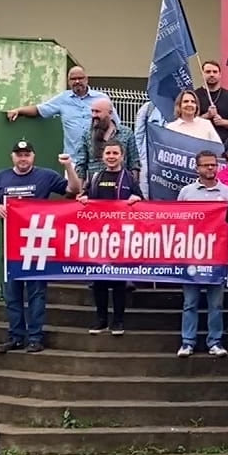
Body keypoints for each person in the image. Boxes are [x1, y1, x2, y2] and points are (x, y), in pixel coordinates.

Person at [0, 140, 68, 353]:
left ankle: (35, 338)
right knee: (12, 295)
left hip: (37, 247)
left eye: (27, 154)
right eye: (19, 154)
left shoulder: (46, 176)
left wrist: (68, 167)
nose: (23, 158)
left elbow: (72, 190)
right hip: (11, 247)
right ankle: (16, 336)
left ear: (33, 156)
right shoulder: (0, 177)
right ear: (12, 156)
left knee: (36, 294)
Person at [66, 141, 141, 334]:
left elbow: (142, 202)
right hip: (98, 238)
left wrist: (137, 199)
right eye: (108, 153)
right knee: (98, 281)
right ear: (102, 156)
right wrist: (83, 200)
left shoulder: (129, 178)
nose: (111, 156)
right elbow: (85, 199)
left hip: (121, 239)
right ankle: (100, 320)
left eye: (115, 153)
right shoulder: (96, 176)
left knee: (118, 282)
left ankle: (118, 321)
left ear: (122, 156)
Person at [176, 150, 228, 358]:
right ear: (197, 168)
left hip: (217, 258)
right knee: (190, 302)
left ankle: (215, 341)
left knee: (215, 304)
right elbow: (177, 221)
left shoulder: (227, 192)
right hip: (192, 255)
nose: (210, 168)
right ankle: (187, 342)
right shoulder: (186, 192)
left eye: (213, 165)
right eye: (206, 165)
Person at [5, 63, 105, 170]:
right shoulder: (62, 99)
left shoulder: (102, 99)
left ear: (87, 79)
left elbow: (115, 125)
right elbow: (40, 109)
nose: (77, 81)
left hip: (98, 159)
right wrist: (19, 110)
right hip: (74, 160)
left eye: (80, 78)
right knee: (73, 187)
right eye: (73, 79)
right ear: (68, 81)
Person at [193, 60, 228, 138]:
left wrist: (223, 122)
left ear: (220, 74)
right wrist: (206, 116)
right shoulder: (194, 95)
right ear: (202, 74)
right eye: (208, 72)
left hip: (224, 144)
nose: (212, 74)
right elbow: (188, 122)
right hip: (200, 142)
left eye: (215, 72)